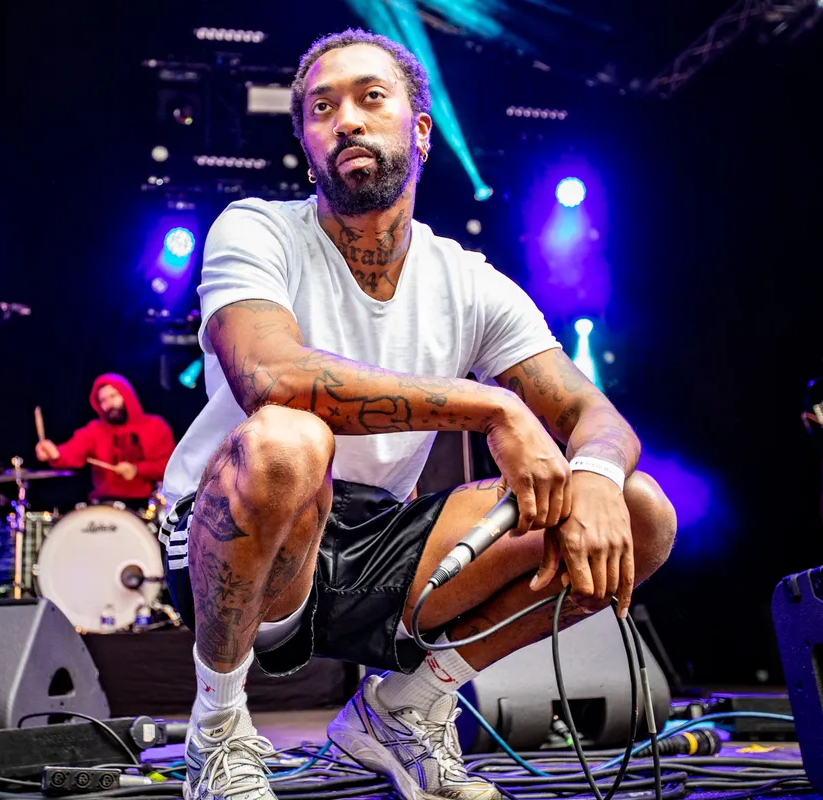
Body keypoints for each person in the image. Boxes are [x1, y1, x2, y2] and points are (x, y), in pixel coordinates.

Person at [158, 28, 677, 800]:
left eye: (371, 98)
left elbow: (591, 412)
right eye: (322, 108)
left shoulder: (467, 281)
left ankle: (405, 707)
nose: (347, 120)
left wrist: (597, 475)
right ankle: (218, 728)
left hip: (378, 540)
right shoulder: (257, 228)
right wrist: (494, 406)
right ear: (306, 142)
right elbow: (270, 379)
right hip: (244, 529)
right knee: (289, 440)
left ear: (421, 131)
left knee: (640, 511)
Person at [35, 373, 175, 511]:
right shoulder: (95, 429)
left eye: (113, 396)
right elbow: (73, 450)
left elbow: (169, 466)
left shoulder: (155, 426)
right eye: (103, 400)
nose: (109, 404)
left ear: (127, 395)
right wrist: (55, 454)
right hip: (104, 506)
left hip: (145, 506)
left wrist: (137, 469)